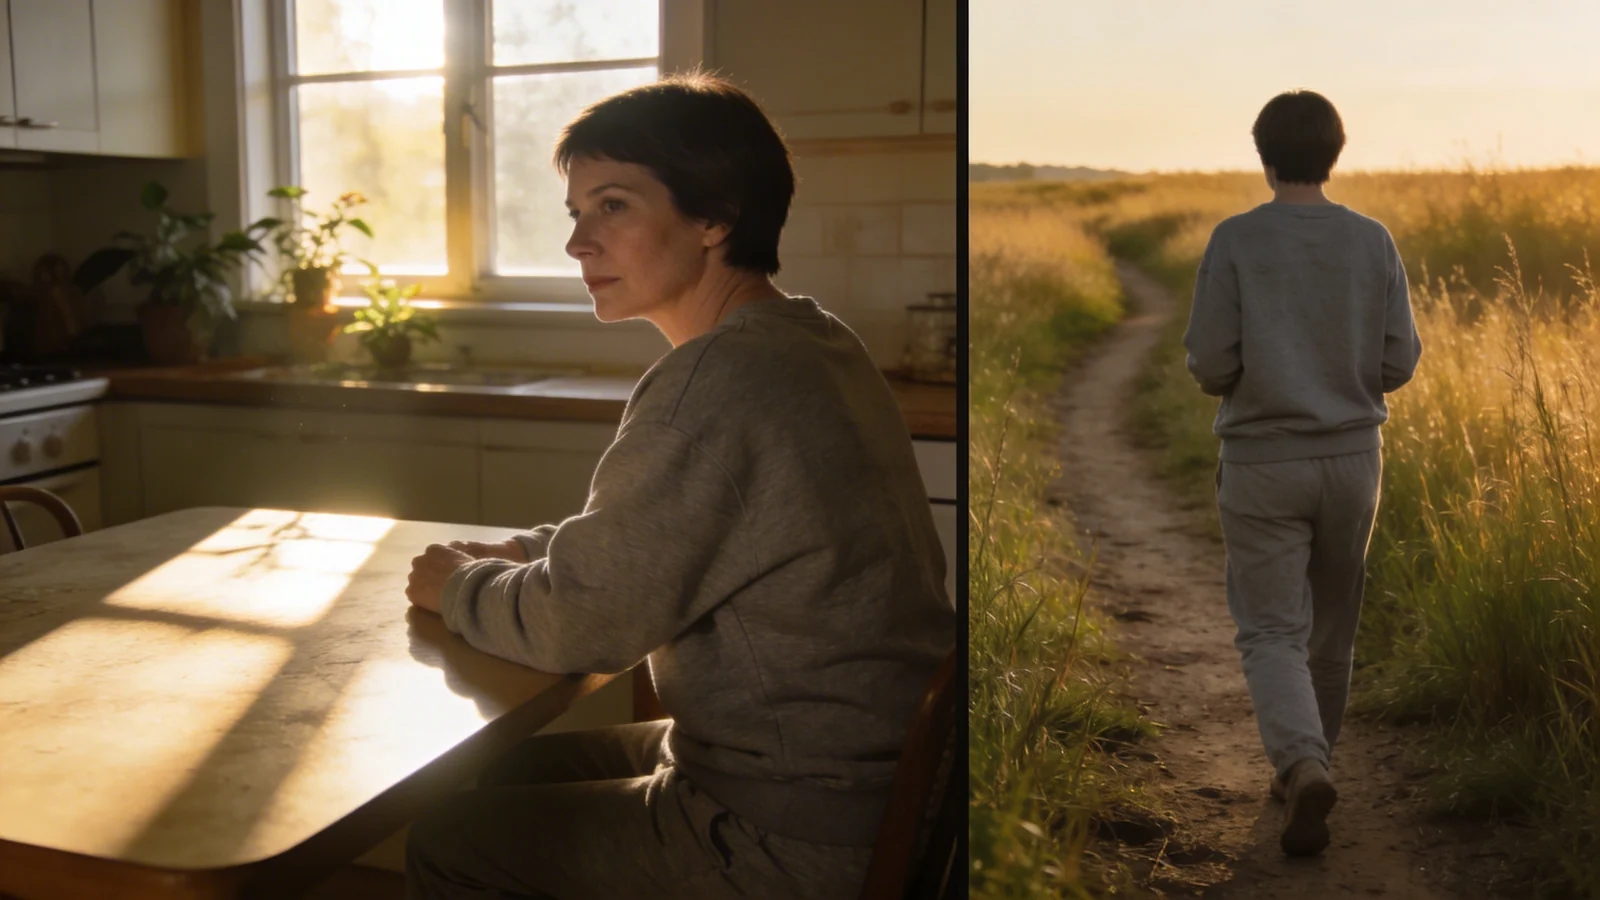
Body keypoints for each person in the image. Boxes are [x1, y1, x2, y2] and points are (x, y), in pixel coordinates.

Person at [400, 72, 956, 899]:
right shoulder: (812, 340)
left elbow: (581, 625)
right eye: (577, 212)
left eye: (613, 206)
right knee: (508, 772)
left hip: (793, 830)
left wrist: (462, 590)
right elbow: (659, 532)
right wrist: (525, 551)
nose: (578, 243)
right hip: (880, 787)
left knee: (451, 840)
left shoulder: (713, 383)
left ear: (714, 218)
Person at [1181, 89, 1423, 858]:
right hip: (1354, 461)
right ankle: (1306, 767)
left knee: (1271, 632)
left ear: (1264, 155)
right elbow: (1399, 361)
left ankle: (1301, 762)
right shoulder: (1372, 239)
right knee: (1332, 631)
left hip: (1260, 465)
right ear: (1335, 152)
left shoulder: (1235, 240)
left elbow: (1211, 362)